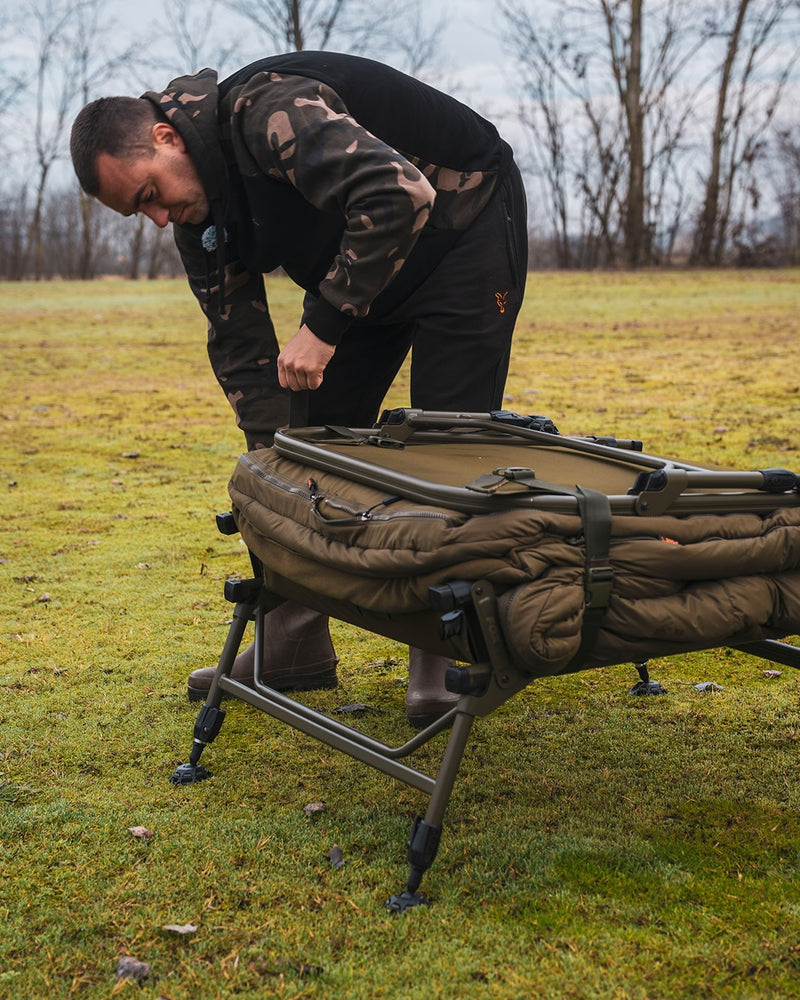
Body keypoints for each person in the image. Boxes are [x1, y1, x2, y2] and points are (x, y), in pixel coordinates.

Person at [70, 51, 528, 726]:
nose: (159, 219)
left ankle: (445, 652)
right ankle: (293, 636)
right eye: (141, 214)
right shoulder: (199, 216)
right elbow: (241, 348)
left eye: (148, 195)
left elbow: (399, 194)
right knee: (310, 441)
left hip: (465, 224)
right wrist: (276, 463)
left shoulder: (268, 111)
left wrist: (324, 324)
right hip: (369, 265)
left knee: (445, 444)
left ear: (166, 138)